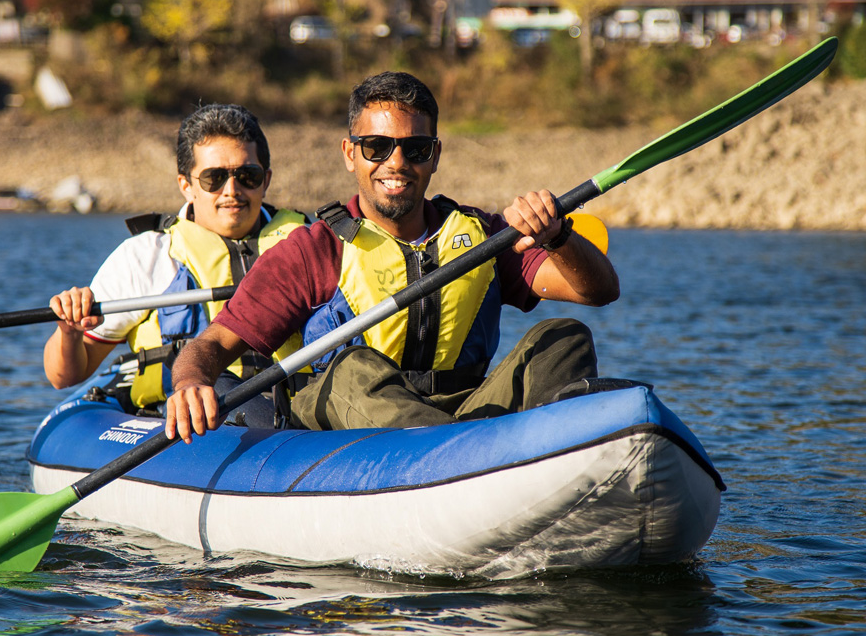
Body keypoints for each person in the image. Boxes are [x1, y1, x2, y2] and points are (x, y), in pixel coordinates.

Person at [164, 71, 620, 442]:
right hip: (345, 426)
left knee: (563, 336)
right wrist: (189, 383)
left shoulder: (484, 235)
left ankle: (519, 457)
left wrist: (558, 236)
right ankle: (457, 457)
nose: (396, 163)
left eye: (415, 149)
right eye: (376, 147)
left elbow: (598, 291)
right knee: (352, 368)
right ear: (351, 154)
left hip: (465, 412)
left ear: (435, 156)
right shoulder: (311, 251)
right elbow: (213, 346)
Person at [44, 103, 307, 426]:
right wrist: (68, 332)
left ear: (265, 180)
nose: (232, 190)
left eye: (247, 176)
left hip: (300, 403)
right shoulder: (148, 255)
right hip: (199, 412)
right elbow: (64, 376)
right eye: (214, 178)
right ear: (186, 185)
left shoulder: (308, 242)